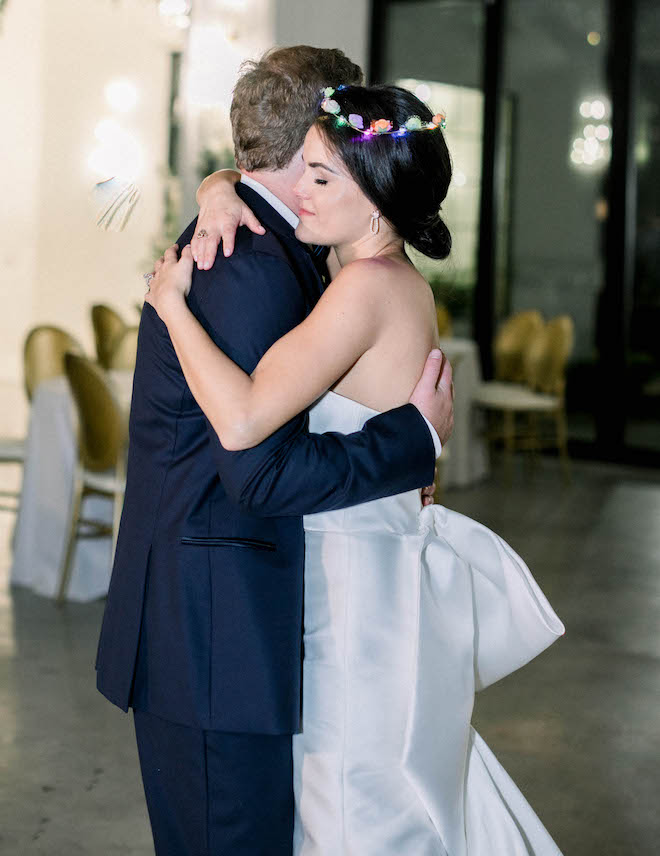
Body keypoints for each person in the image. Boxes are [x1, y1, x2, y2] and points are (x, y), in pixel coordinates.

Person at [146, 82, 565, 854]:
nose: (296, 191)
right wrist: (217, 186)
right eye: (303, 168)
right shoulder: (391, 281)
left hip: (350, 595)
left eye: (320, 177)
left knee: (350, 801)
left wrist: (171, 307)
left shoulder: (364, 290)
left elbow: (241, 421)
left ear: (375, 201)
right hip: (371, 574)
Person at [95, 47, 453, 856]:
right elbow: (257, 468)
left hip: (229, 624)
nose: (326, 175)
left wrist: (217, 184)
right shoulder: (256, 260)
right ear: (309, 154)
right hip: (216, 630)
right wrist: (412, 443)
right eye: (322, 162)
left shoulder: (291, 244)